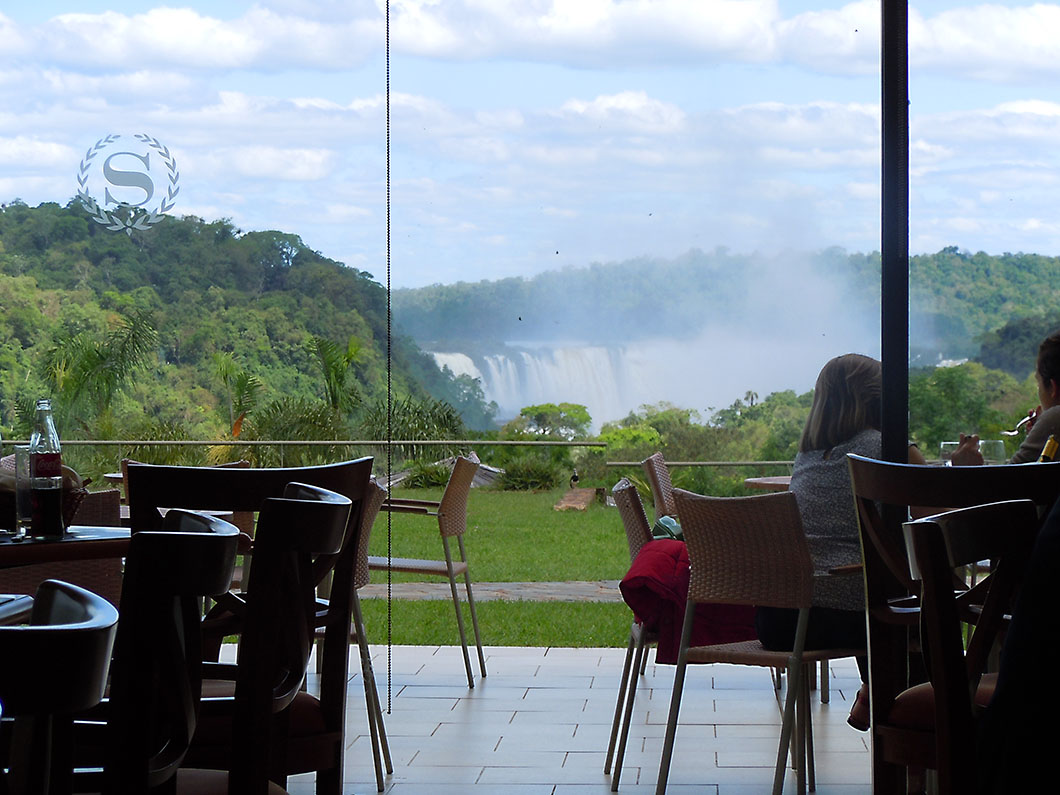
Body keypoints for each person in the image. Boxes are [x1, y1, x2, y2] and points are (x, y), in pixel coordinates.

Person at [754, 353, 926, 731]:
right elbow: (941, 508)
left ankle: (879, 694)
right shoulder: (886, 447)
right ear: (877, 399)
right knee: (916, 617)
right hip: (834, 613)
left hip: (777, 617)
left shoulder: (809, 453)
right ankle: (913, 737)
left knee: (886, 605)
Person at [952, 330, 1060, 465]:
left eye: (1038, 382)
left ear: (1052, 387)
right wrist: (1037, 440)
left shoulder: (1055, 418)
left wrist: (968, 469)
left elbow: (1006, 483)